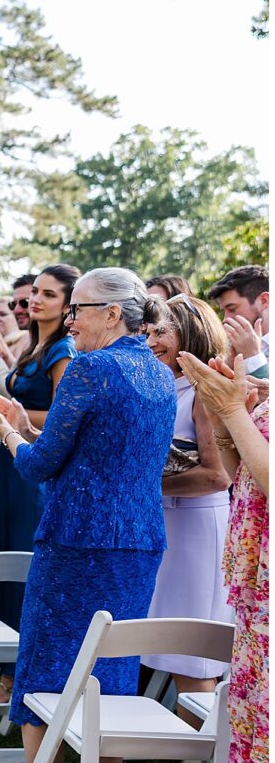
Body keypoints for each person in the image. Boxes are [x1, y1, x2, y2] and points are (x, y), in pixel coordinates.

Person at [0, 268, 175, 763]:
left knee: (45, 668)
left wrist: (3, 429)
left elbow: (39, 465)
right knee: (112, 669)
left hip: (77, 542)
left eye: (79, 308)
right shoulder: (158, 372)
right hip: (138, 542)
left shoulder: (89, 367)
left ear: (111, 313)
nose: (71, 321)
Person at [179, 346, 269, 763]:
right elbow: (244, 478)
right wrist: (231, 417)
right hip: (258, 591)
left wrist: (233, 412)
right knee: (252, 730)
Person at [0, 263, 76, 677]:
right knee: (5, 549)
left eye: (48, 294)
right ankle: (3, 658)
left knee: (24, 557)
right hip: (11, 458)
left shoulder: (62, 349)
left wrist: (7, 412)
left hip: (34, 461)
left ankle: (20, 670)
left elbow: (62, 416)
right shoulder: (32, 343)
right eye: (32, 293)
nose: (34, 301)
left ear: (69, 304)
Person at [144, 294, 235, 694]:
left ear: (192, 333)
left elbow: (218, 476)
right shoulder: (170, 386)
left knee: (192, 652)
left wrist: (144, 484)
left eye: (162, 331)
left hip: (196, 527)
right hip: (169, 522)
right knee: (165, 639)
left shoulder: (202, 392)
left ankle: (201, 751)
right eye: (148, 332)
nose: (151, 342)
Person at [207, 267, 270, 372]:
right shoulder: (230, 348)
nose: (225, 319)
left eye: (232, 308)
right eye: (224, 311)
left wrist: (253, 356)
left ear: (264, 301)